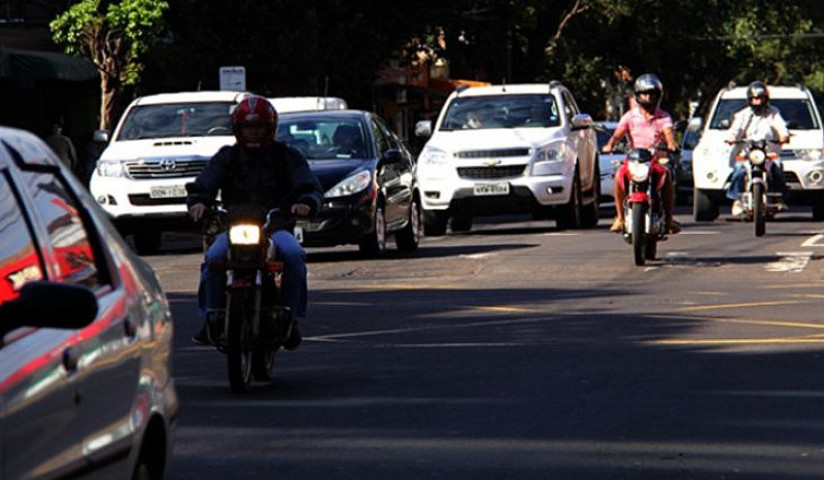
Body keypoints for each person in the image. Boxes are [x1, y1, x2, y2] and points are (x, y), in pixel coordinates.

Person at [186, 95, 323, 347]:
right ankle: (211, 318)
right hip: (234, 228)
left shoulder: (286, 156)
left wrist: (306, 202)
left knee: (293, 256)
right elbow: (205, 182)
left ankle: (291, 318)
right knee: (213, 259)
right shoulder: (227, 156)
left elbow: (309, 185)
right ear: (238, 129)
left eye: (258, 127)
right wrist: (198, 201)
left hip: (275, 227)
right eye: (248, 127)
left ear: (269, 128)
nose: (253, 133)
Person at [602, 73, 680, 234]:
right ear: (638, 95)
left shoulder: (663, 117)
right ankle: (620, 218)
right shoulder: (630, 116)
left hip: (655, 160)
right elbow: (618, 134)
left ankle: (670, 219)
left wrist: (672, 144)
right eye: (644, 93)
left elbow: (669, 133)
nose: (648, 97)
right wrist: (610, 145)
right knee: (618, 175)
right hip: (633, 160)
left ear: (658, 96)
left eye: (652, 93)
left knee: (666, 175)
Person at [724, 81, 790, 215]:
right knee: (738, 170)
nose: (757, 102)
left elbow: (781, 126)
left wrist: (784, 136)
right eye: (754, 99)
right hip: (748, 153)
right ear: (749, 100)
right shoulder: (742, 115)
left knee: (777, 169)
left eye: (760, 99)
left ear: (765, 99)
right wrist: (731, 138)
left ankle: (780, 198)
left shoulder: (773, 112)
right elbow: (735, 130)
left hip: (768, 153)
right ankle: (736, 200)